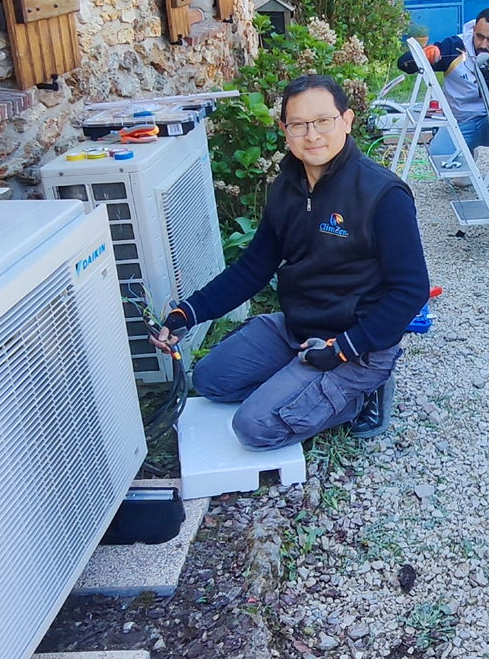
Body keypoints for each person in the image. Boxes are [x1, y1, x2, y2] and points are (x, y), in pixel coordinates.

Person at [153, 75, 430, 450]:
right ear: (285, 130)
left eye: (323, 121)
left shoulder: (384, 194)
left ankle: (362, 392)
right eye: (298, 125)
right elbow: (253, 267)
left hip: (356, 343)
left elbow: (410, 290)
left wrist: (346, 348)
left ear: (346, 121)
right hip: (296, 328)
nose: (312, 135)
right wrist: (188, 313)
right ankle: (298, 382)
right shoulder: (286, 188)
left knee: (254, 428)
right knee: (209, 381)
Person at [397, 7, 489, 179]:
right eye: (479, 36)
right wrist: (422, 55)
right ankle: (467, 154)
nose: (483, 44)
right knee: (438, 156)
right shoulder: (454, 46)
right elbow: (403, 64)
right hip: (461, 124)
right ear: (473, 30)